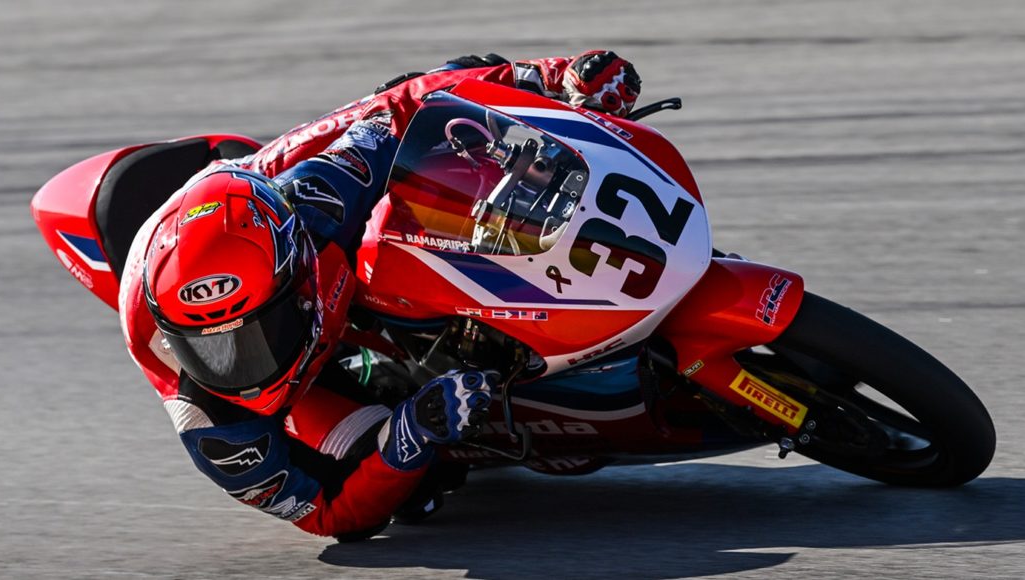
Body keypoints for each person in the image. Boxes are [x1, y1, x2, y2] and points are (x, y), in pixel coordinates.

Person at [118, 51, 642, 541]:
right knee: (416, 489)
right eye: (208, 350)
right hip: (201, 252)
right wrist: (409, 437)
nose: (238, 369)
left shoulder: (318, 199)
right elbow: (328, 517)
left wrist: (550, 77)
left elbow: (401, 104)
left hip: (257, 195)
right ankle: (391, 382)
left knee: (442, 132)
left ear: (300, 288)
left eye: (256, 337)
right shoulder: (210, 419)